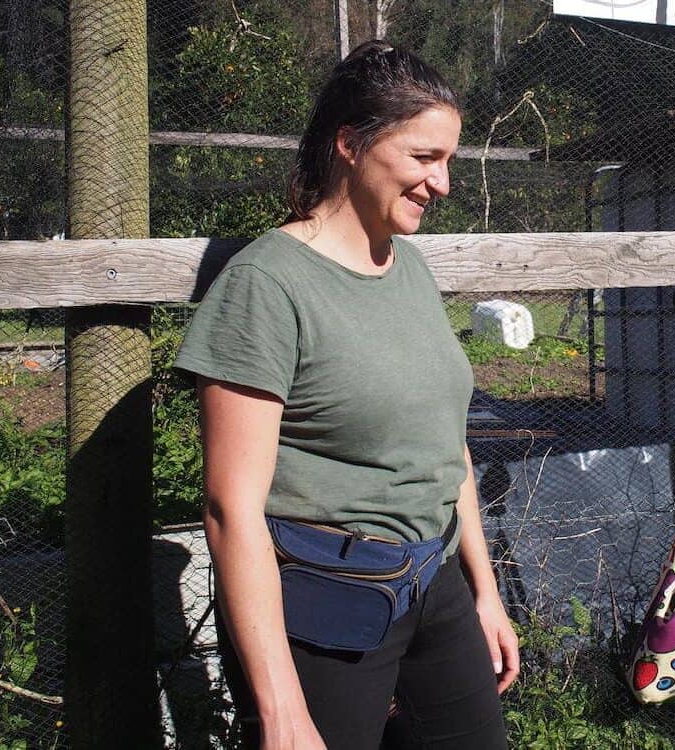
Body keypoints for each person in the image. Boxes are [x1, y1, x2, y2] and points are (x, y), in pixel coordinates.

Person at [175, 40, 518, 749]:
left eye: (448, 160)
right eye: (425, 158)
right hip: (325, 608)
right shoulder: (265, 286)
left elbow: (442, 439)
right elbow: (228, 507)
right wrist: (279, 707)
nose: (443, 183)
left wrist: (484, 589)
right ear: (350, 145)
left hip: (435, 582)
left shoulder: (410, 268)